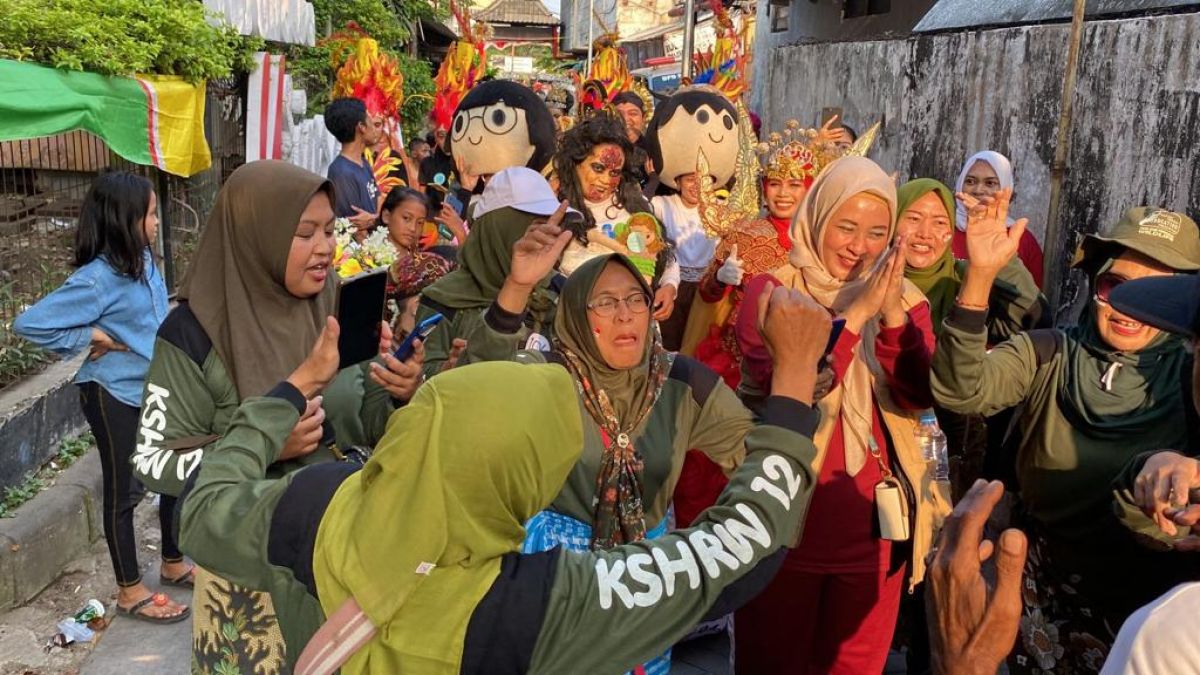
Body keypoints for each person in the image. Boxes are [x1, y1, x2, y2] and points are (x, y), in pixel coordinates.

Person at [177, 269, 830, 673]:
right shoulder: (534, 604)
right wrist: (796, 378)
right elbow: (741, 547)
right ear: (526, 481)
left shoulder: (317, 500)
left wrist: (288, 393)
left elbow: (205, 511)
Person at [129, 160, 424, 673]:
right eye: (304, 233)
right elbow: (152, 462)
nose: (326, 248)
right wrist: (265, 442)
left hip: (343, 555)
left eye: (330, 230)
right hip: (252, 574)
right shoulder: (192, 334)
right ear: (256, 235)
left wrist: (398, 390)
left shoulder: (331, 301)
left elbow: (356, 419)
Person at [932, 197, 1200, 672]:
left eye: (1154, 294)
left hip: (1154, 608)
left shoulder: (1190, 375)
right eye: (1114, 286)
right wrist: (978, 279)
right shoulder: (1049, 352)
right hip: (1042, 592)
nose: (1127, 308)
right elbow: (961, 391)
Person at [733, 156, 951, 674]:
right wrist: (854, 315)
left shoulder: (908, 299)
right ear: (818, 219)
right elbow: (790, 385)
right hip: (781, 522)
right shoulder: (772, 293)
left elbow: (920, 394)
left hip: (874, 531)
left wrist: (893, 313)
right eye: (846, 227)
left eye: (878, 232)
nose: (861, 247)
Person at [13, 171, 190, 624]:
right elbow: (31, 324)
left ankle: (172, 562)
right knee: (123, 491)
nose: (156, 222)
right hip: (110, 393)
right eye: (150, 214)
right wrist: (93, 334)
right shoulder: (97, 280)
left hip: (153, 386)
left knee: (173, 471)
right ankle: (130, 591)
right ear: (123, 219)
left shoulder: (145, 262)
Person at [896, 178, 1048, 497]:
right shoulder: (871, 283)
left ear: (951, 232)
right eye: (912, 218)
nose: (925, 233)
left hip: (952, 441)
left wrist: (996, 265)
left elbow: (1032, 318)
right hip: (885, 433)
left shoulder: (967, 277)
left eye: (939, 222)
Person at [416, 167, 575, 377]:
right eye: (537, 227)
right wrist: (449, 370)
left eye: (555, 227)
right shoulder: (443, 300)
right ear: (498, 231)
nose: (549, 238)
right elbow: (415, 378)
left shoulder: (561, 292)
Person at [554, 116, 680, 317]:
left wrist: (669, 286)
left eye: (614, 173)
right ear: (575, 164)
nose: (605, 180)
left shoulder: (636, 207)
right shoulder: (557, 213)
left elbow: (664, 254)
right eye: (598, 168)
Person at [952, 151, 1045, 286]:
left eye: (990, 183)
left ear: (1005, 188)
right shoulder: (942, 229)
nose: (978, 190)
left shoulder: (1021, 240)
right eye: (970, 181)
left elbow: (1031, 299)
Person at [652, 170, 719, 351]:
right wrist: (652, 176)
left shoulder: (720, 209)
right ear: (678, 182)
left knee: (698, 345)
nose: (697, 185)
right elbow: (638, 206)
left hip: (706, 288)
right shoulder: (662, 204)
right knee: (668, 344)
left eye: (704, 180)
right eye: (690, 180)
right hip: (670, 286)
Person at [323, 98, 382, 233]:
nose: (373, 125)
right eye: (369, 119)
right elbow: (357, 226)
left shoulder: (363, 163)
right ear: (361, 127)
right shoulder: (341, 172)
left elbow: (378, 200)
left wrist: (373, 219)